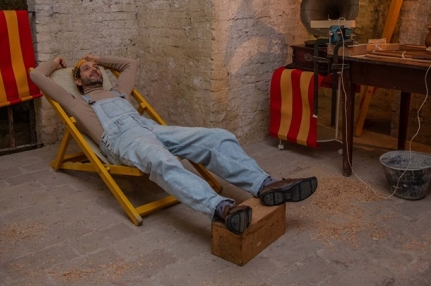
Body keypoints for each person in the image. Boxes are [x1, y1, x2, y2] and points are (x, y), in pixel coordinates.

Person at [30, 54, 318, 235]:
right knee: (162, 159)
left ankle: (264, 185)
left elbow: (130, 64)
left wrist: (98, 58)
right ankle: (221, 209)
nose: (94, 70)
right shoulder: (77, 102)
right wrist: (56, 62)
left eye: (96, 68)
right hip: (123, 140)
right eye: (86, 69)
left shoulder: (119, 92)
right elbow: (36, 75)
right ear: (78, 82)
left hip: (152, 129)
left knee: (217, 137)